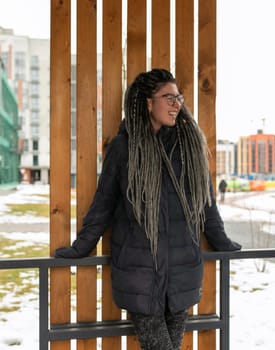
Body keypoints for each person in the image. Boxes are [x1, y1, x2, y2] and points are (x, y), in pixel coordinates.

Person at [55, 68, 241, 350]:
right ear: (148, 102)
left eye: (178, 97)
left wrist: (222, 242)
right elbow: (103, 204)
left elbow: (206, 204)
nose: (176, 104)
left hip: (182, 276)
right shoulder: (123, 148)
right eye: (168, 97)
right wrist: (81, 247)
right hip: (139, 276)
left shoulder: (187, 148)